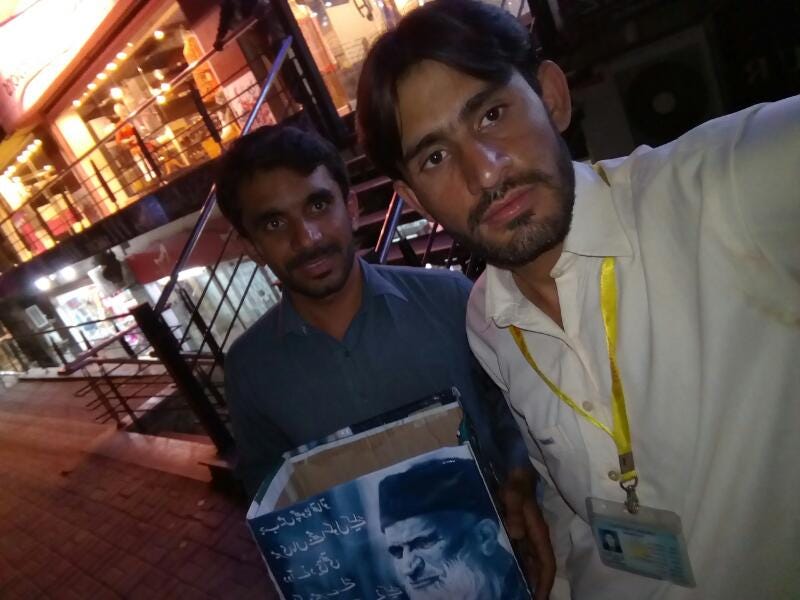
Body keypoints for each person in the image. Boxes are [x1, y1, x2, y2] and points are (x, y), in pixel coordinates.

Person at [355, 1, 800, 598]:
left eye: (491, 114)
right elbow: (568, 500)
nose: (484, 173)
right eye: (435, 157)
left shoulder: (718, 190)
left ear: (553, 97)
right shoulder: (487, 317)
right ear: (414, 200)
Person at [215, 125, 553, 592]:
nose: (307, 237)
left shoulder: (453, 300)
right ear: (250, 245)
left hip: (504, 565)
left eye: (318, 205)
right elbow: (269, 488)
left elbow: (513, 403)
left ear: (351, 206)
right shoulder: (249, 369)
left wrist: (519, 474)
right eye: (274, 224)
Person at [378, 457, 528, 600]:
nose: (408, 569)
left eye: (424, 543)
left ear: (485, 536)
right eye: (397, 552)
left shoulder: (532, 583)